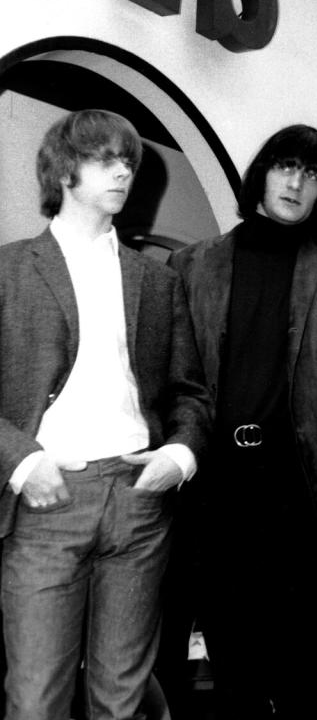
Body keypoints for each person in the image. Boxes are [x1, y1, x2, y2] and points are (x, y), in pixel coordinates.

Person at [0, 108, 211, 719]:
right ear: (65, 170)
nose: (123, 172)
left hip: (138, 498)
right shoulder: (9, 272)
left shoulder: (156, 280)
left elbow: (188, 391)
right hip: (47, 500)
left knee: (123, 699)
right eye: (105, 159)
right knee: (36, 699)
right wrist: (22, 463)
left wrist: (179, 455)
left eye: (129, 162)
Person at [169, 124, 317, 719]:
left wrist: (307, 439)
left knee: (308, 678)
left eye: (312, 174)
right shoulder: (190, 266)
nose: (296, 182)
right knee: (233, 673)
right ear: (261, 175)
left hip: (299, 499)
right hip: (215, 496)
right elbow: (173, 380)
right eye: (285, 166)